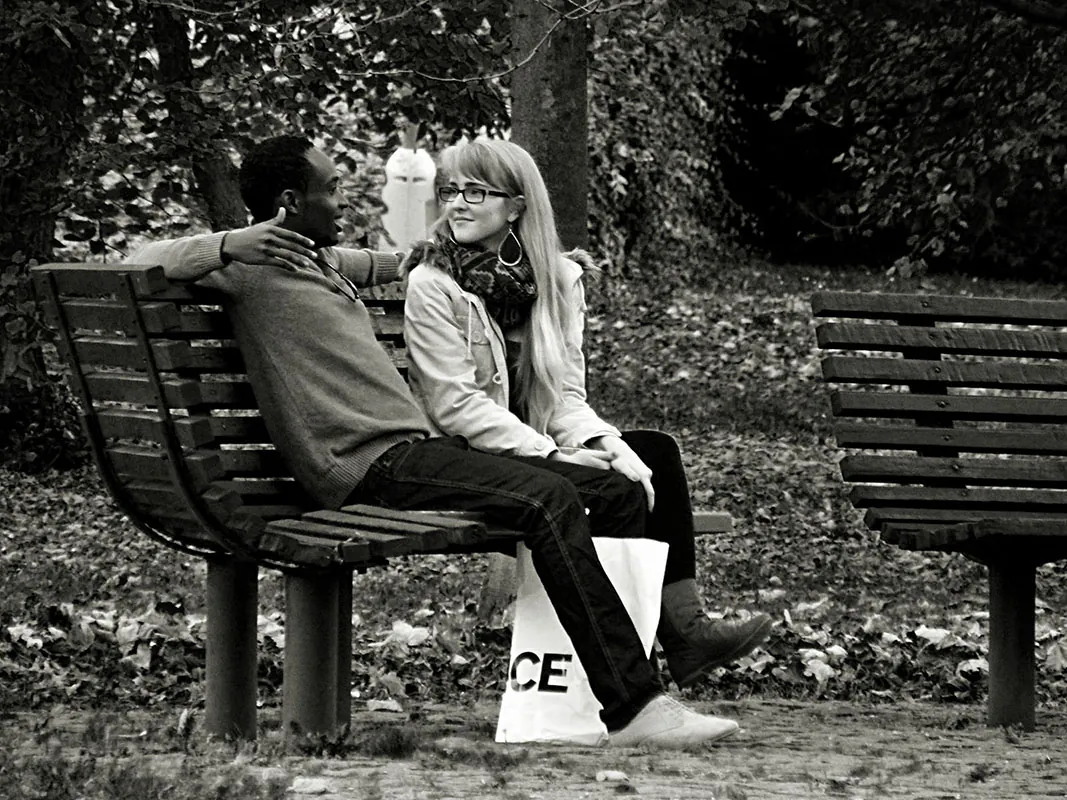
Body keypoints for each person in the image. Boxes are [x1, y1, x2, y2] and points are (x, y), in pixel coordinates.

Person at [128, 134, 739, 748]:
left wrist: (508, 264)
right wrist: (230, 243)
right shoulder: (245, 270)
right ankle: (633, 707)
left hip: (412, 452)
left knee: (612, 488)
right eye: (333, 189)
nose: (345, 200)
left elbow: (401, 263)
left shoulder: (319, 261)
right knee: (548, 499)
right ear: (290, 199)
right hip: (366, 463)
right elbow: (135, 260)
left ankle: (618, 682)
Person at [400, 138, 772, 689]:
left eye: (475, 192)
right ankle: (624, 676)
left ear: (516, 206)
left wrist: (604, 442)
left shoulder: (559, 281)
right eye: (449, 190)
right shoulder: (432, 283)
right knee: (612, 491)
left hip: (535, 449)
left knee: (652, 455)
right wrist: (552, 453)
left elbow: (564, 398)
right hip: (468, 458)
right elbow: (457, 407)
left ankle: (684, 633)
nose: (456, 203)